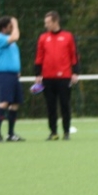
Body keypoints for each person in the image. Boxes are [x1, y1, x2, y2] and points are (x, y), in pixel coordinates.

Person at [34, 11, 80, 141]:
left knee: (65, 105)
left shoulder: (68, 36)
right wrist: (38, 74)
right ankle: (53, 132)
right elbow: (39, 56)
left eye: (48, 22)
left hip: (64, 77)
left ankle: (66, 132)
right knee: (50, 106)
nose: (46, 25)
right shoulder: (43, 38)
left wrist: (75, 72)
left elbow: (73, 55)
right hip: (47, 78)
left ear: (55, 22)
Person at [0, 16, 24, 142]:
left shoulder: (11, 43)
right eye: (10, 26)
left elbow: (12, 56)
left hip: (13, 75)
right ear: (4, 27)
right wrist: (15, 23)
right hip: (4, 75)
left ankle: (11, 134)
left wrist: (17, 70)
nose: (13, 28)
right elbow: (15, 36)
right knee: (4, 102)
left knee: (15, 103)